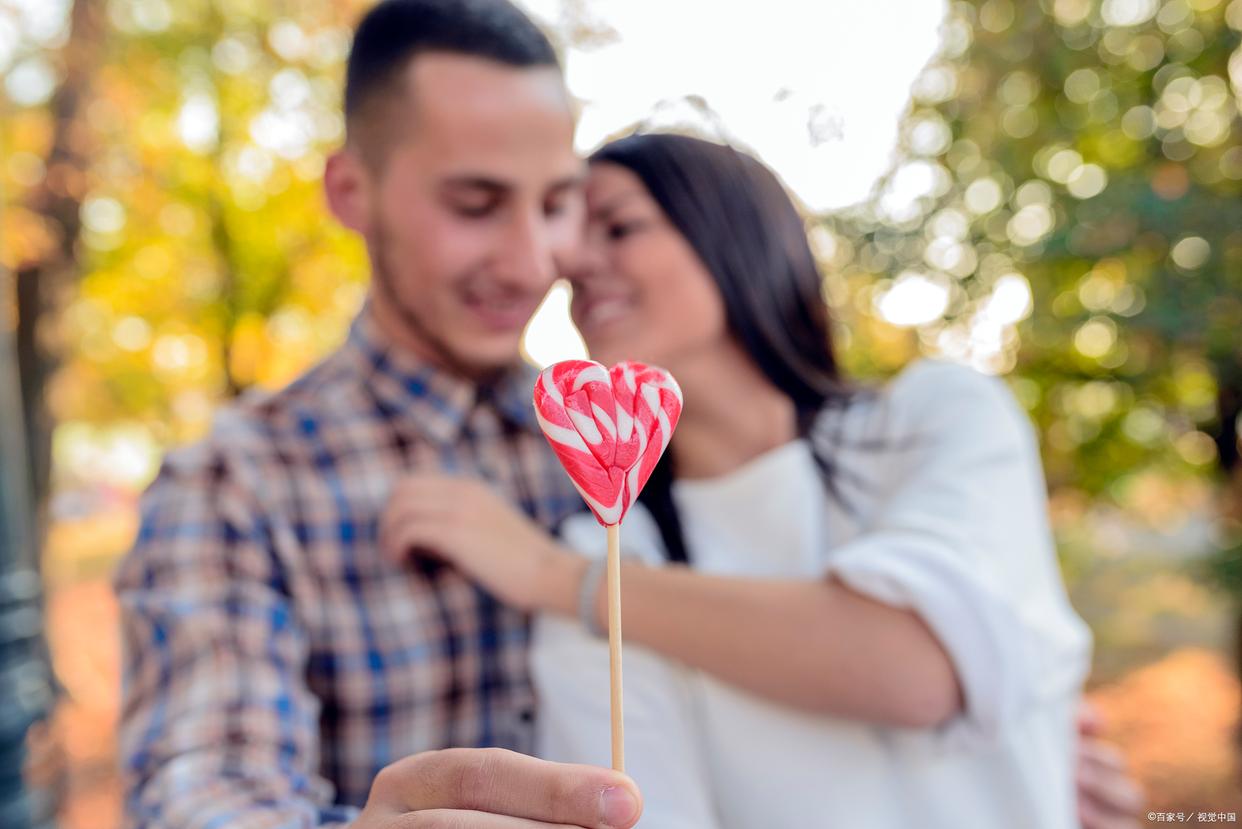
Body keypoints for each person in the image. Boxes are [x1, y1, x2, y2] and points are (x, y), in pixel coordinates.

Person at [381, 134, 1143, 828]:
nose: (570, 262)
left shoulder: (936, 416)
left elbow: (917, 667)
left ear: (733, 234)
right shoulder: (612, 542)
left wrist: (552, 576)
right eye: (572, 242)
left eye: (616, 226)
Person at [113, 1, 644, 827]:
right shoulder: (235, 481)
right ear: (351, 191)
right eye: (475, 204)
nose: (531, 261)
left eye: (554, 205)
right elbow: (205, 786)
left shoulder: (620, 442)